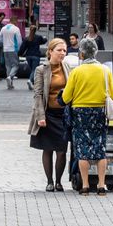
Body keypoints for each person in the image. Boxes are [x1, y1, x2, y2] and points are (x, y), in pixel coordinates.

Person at [60, 42, 113, 195]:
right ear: (95, 53)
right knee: (100, 149)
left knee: (82, 149)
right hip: (99, 112)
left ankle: (85, 185)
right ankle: (101, 185)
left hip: (80, 112)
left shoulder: (77, 72)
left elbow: (66, 97)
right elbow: (112, 94)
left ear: (82, 54)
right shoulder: (105, 70)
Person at [29, 37, 71, 191]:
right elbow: (38, 94)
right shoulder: (41, 70)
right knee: (47, 149)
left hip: (63, 115)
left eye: (64, 50)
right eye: (59, 50)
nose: (62, 53)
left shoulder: (67, 67)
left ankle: (59, 181)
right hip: (47, 114)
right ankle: (49, 181)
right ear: (50, 51)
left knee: (61, 150)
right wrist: (40, 117)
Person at [23, 24, 45, 89]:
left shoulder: (26, 38)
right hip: (36, 56)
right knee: (34, 69)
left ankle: (32, 81)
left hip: (28, 56)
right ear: (36, 30)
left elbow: (23, 47)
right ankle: (30, 80)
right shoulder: (38, 37)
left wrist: (19, 54)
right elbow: (43, 41)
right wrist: (45, 39)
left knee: (32, 69)